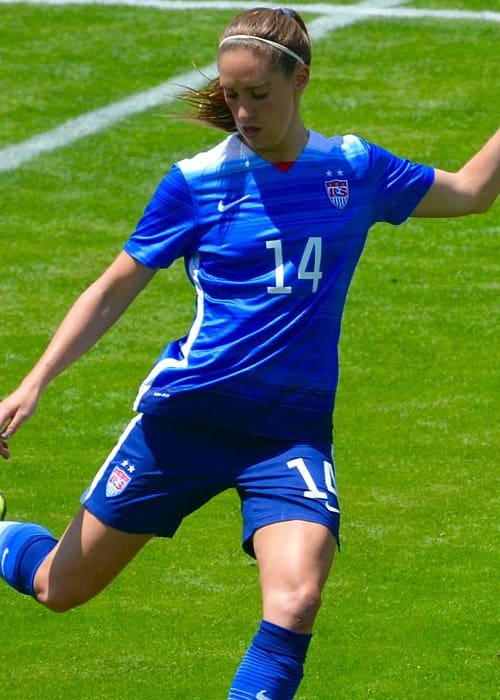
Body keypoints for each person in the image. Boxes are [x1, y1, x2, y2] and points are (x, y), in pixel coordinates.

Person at [0, 7, 498, 698]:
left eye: (258, 95)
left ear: (301, 81)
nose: (242, 111)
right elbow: (113, 289)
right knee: (59, 587)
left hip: (286, 436)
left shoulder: (353, 170)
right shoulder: (196, 182)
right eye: (232, 96)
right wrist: (34, 383)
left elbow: (472, 192)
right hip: (185, 423)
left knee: (295, 601)